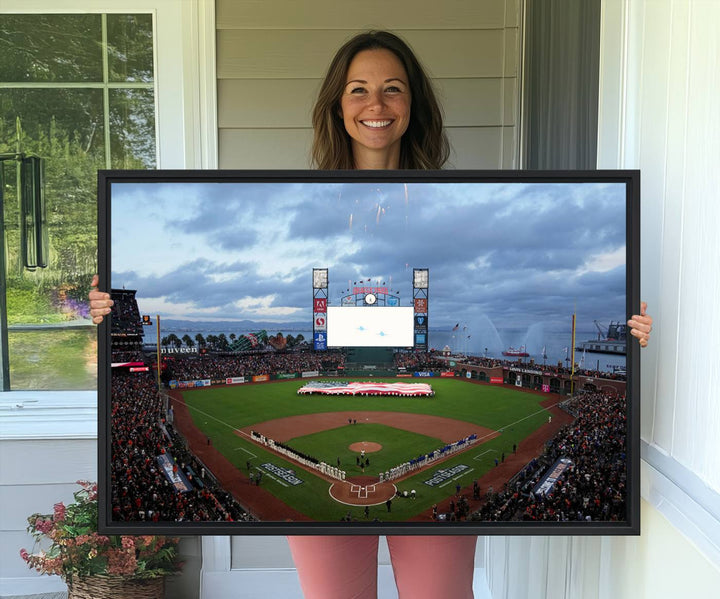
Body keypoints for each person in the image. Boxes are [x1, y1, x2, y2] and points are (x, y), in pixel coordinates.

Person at [89, 29, 653, 599]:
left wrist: (630, 335)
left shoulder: (453, 197)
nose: (376, 105)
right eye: (358, 89)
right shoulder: (304, 196)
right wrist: (106, 315)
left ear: (413, 104)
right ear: (337, 104)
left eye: (393, 89)